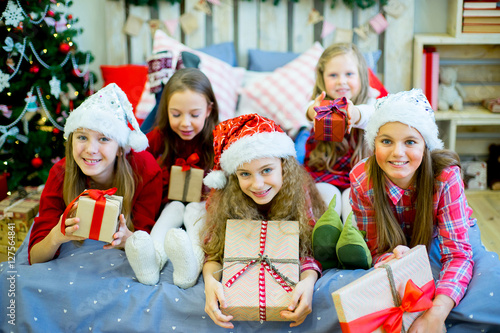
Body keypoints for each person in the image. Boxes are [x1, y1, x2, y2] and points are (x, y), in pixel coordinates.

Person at [349, 89, 474, 332]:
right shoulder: (362, 179)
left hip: (444, 237)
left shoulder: (446, 177)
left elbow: (458, 254)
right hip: (397, 245)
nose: (397, 153)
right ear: (374, 143)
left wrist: (437, 313)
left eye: (410, 142)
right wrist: (390, 258)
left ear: (425, 144)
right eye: (386, 141)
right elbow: (376, 247)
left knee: (479, 290)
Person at [201, 114, 327, 329]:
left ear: (284, 167)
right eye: (245, 174)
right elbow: (214, 250)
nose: (258, 184)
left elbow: (308, 250)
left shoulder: (299, 191)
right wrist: (210, 282)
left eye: (267, 170)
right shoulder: (226, 196)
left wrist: (308, 281)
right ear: (234, 176)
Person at [28, 83, 163, 264]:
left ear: (120, 149)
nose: (91, 149)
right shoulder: (60, 173)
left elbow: (148, 244)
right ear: (71, 141)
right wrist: (56, 236)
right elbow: (35, 257)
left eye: (104, 139)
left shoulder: (145, 171)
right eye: (82, 137)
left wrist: (128, 239)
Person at [126, 68, 219, 288]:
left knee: (195, 213)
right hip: (169, 202)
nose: (185, 123)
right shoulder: (161, 135)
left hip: (203, 205)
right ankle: (153, 257)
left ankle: (192, 261)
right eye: (176, 114)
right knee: (174, 209)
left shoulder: (217, 138)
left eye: (194, 115)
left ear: (208, 110)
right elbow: (138, 155)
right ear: (165, 110)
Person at [304, 43, 377, 223]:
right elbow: (308, 111)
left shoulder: (371, 102)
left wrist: (355, 114)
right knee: (329, 199)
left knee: (351, 200)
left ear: (361, 76)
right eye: (333, 75)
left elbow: (370, 115)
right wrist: (315, 111)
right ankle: (326, 237)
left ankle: (351, 237)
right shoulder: (320, 103)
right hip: (325, 168)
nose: (341, 81)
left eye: (349, 74)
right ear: (322, 78)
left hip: (359, 172)